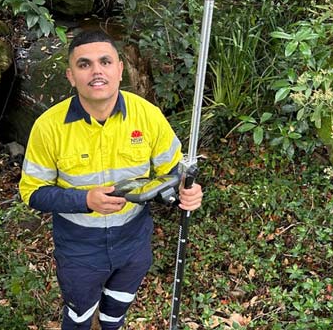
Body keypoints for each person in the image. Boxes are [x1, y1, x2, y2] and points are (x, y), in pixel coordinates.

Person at [19, 29, 203, 330]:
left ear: (120, 69)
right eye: (84, 64)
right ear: (70, 75)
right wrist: (85, 200)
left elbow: (176, 172)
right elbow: (32, 193)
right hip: (78, 247)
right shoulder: (48, 127)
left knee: (115, 313)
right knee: (78, 316)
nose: (96, 71)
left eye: (105, 61)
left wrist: (189, 190)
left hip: (133, 241)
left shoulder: (147, 116)